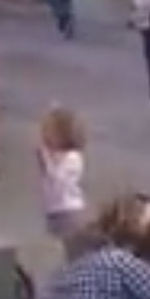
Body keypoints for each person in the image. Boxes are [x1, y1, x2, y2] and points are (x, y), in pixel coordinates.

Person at [37, 106, 87, 258]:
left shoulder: (73, 157)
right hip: (54, 210)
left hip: (68, 210)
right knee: (59, 249)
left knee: (72, 250)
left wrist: (45, 158)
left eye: (47, 131)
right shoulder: (57, 156)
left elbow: (57, 179)